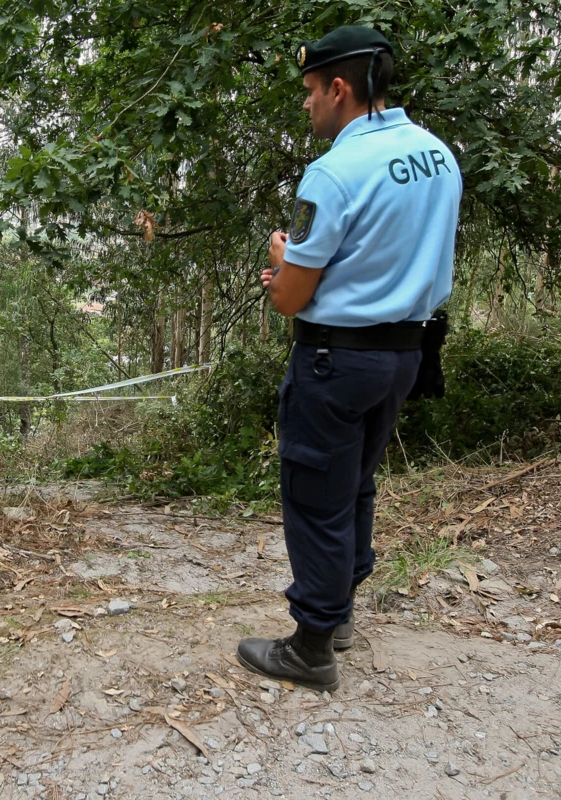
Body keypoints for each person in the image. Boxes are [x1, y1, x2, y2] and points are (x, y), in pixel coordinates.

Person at [236, 26, 461, 691]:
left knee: (315, 499)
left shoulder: (334, 169)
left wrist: (282, 263)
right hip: (405, 356)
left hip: (336, 361)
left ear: (340, 89)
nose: (306, 105)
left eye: (310, 92)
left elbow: (294, 298)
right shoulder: (437, 155)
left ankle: (311, 648)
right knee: (356, 486)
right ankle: (339, 618)